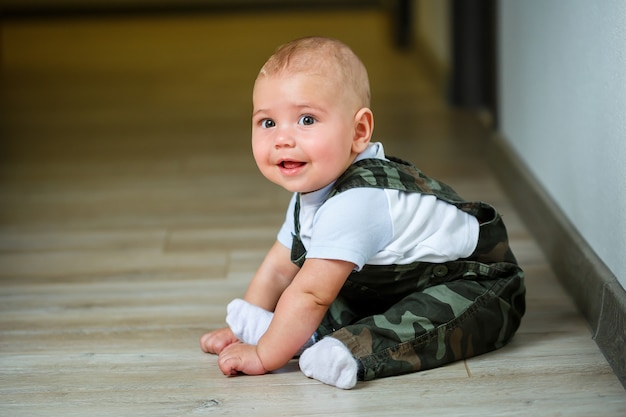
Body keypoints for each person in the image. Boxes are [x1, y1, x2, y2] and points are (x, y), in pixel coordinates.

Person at [200, 36, 525, 389]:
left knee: (417, 320)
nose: (282, 138)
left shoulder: (357, 203)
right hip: (394, 286)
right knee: (325, 288)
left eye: (306, 119)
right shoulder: (311, 190)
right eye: (267, 123)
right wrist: (244, 325)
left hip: (477, 285)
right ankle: (289, 331)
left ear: (359, 132)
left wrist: (263, 355)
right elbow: (279, 269)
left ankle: (352, 351)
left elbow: (310, 294)